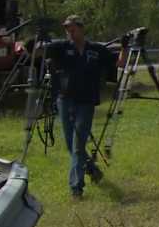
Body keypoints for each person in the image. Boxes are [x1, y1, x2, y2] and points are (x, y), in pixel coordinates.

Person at [44, 15, 125, 199]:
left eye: (72, 29)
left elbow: (119, 62)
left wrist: (125, 47)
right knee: (70, 144)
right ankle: (92, 170)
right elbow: (35, 51)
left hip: (86, 102)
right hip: (65, 100)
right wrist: (38, 40)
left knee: (78, 144)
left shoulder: (95, 50)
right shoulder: (62, 48)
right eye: (67, 30)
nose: (69, 33)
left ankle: (76, 188)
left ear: (81, 29)